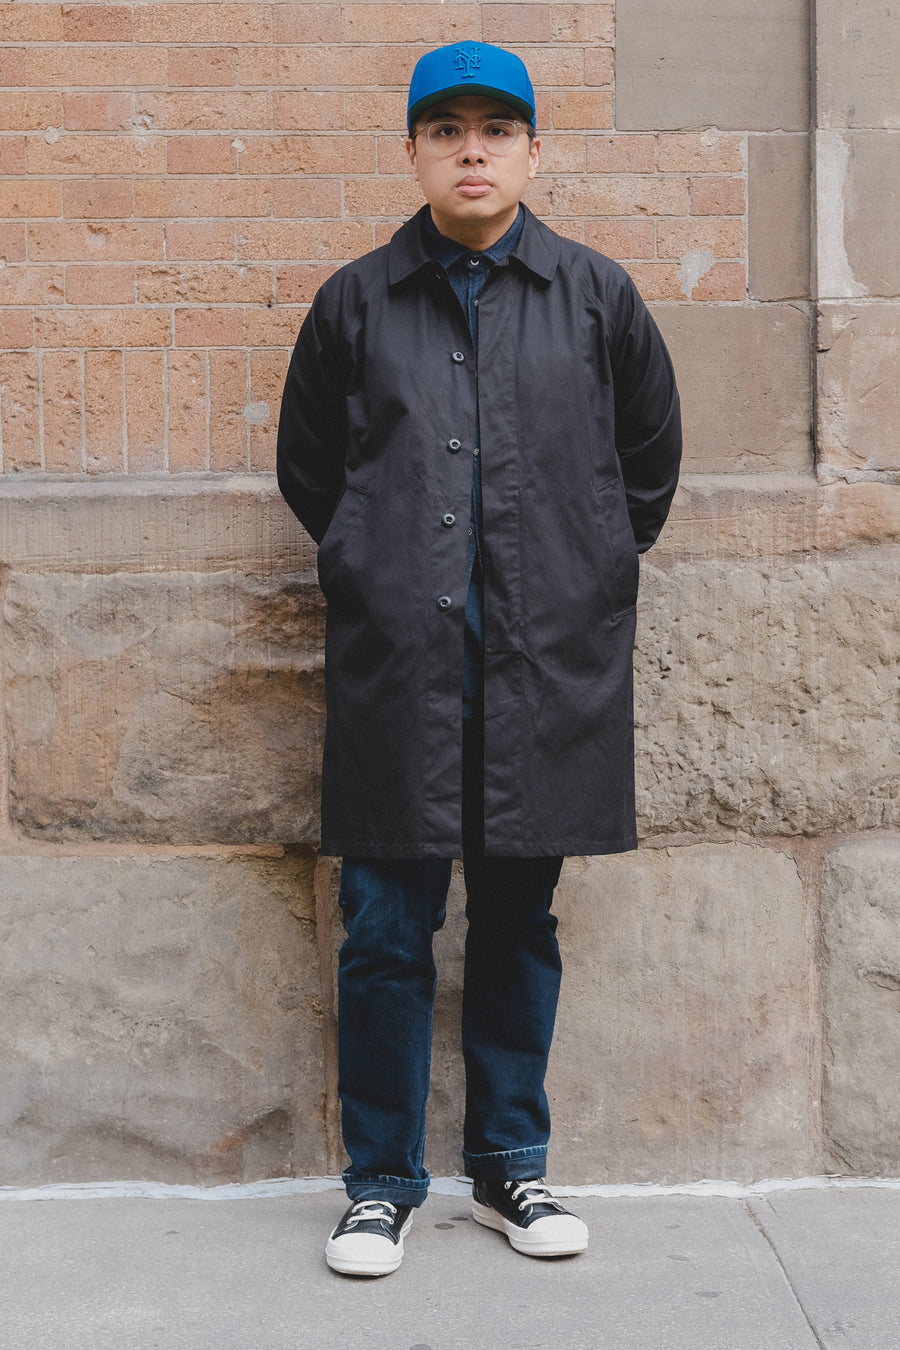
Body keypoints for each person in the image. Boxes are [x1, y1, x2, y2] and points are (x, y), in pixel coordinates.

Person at [277, 40, 681, 1277]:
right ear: (412, 150)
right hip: (400, 667)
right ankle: (382, 1185)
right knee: (385, 925)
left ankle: (511, 1169)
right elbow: (310, 471)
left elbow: (649, 467)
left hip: (544, 667)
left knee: (519, 919)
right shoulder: (356, 300)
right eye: (445, 128)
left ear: (532, 151)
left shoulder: (597, 295)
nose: (470, 149)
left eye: (495, 130)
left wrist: (588, 570)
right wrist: (366, 563)